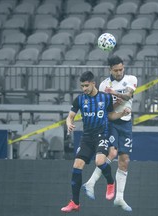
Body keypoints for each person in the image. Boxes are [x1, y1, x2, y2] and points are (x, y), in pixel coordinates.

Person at [61, 71, 131, 213]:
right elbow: (70, 117)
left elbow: (110, 115)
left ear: (93, 83)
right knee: (76, 166)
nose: (84, 89)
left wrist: (121, 114)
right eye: (82, 86)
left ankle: (110, 182)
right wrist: (68, 123)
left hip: (102, 135)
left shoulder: (105, 98)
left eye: (86, 85)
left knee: (99, 162)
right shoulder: (80, 99)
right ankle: (75, 202)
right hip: (86, 137)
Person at [83, 55, 137, 212]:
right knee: (112, 152)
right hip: (112, 122)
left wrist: (115, 93)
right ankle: (91, 183)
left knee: (125, 160)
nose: (119, 72)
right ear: (110, 70)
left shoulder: (131, 79)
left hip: (126, 123)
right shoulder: (104, 85)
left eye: (121, 69)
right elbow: (106, 110)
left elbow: (128, 95)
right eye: (116, 70)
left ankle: (119, 198)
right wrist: (114, 102)